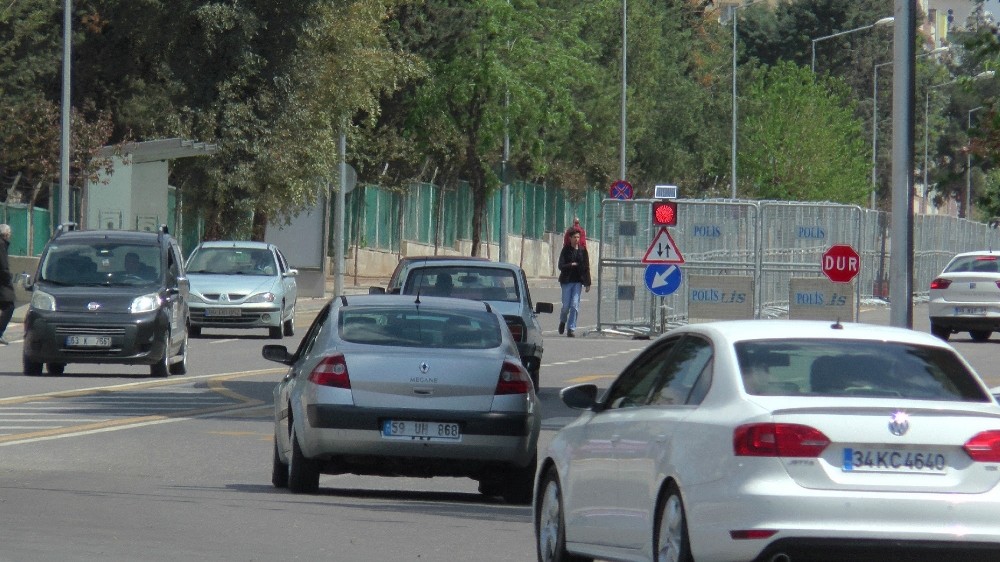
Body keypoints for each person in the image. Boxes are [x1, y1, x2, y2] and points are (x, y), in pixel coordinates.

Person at [557, 227, 591, 338]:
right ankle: (563, 321)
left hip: (577, 282)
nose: (576, 239)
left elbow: (586, 267)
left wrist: (587, 283)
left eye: (578, 237)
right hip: (566, 281)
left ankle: (571, 329)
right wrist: (571, 265)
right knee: (566, 306)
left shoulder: (582, 251)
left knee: (575, 305)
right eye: (574, 237)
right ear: (570, 238)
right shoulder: (565, 250)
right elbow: (560, 266)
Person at [0, 224, 14, 345]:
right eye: (9, 234)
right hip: (2, 284)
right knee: (9, 306)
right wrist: (9, 279)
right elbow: (3, 266)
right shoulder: (1, 245)